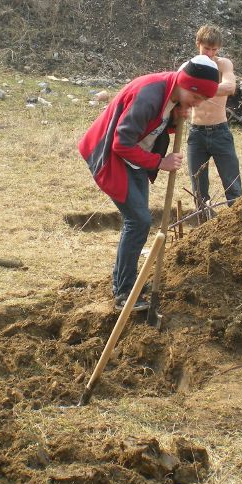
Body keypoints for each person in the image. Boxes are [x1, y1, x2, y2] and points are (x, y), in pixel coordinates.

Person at [78, 55, 220, 311]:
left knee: (138, 221)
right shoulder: (150, 95)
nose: (197, 105)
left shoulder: (173, 94)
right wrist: (158, 162)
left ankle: (127, 282)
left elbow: (153, 127)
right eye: (197, 97)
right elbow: (121, 143)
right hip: (111, 155)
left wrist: (176, 116)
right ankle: (123, 293)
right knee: (139, 220)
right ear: (187, 83)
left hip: (135, 159)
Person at [187, 25, 242, 215]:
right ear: (198, 44)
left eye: (214, 49)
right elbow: (177, 89)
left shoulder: (223, 64)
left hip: (220, 132)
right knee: (199, 192)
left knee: (233, 187)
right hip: (196, 134)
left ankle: (240, 228)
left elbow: (229, 87)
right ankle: (205, 230)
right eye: (206, 49)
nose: (210, 53)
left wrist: (198, 88)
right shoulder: (190, 66)